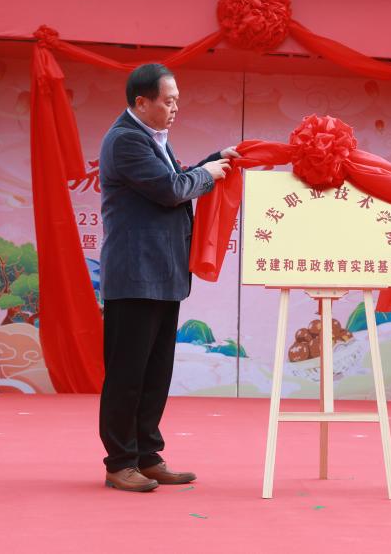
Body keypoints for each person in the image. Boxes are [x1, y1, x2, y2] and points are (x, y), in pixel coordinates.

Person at [97, 63, 238, 492]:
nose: (175, 108)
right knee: (127, 374)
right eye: (169, 101)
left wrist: (214, 161)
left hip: (162, 273)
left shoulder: (153, 138)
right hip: (135, 275)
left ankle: (147, 456)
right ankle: (120, 461)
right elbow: (171, 190)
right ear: (142, 102)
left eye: (177, 100)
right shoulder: (126, 140)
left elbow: (174, 179)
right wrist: (207, 175)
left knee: (155, 374)